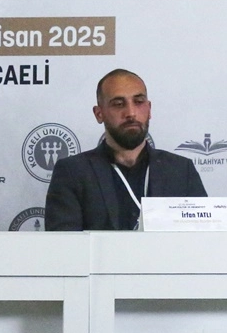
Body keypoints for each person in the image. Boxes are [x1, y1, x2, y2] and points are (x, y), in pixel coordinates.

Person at [45, 68, 205, 231]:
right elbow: (63, 243)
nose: (131, 113)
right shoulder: (72, 172)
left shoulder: (181, 170)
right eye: (118, 104)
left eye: (139, 102)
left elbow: (203, 238)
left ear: (149, 109)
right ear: (99, 114)